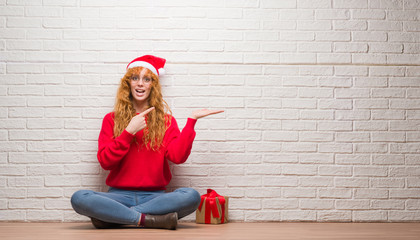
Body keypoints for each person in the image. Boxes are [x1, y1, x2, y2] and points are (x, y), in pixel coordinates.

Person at [71, 55, 223, 230]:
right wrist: (128, 132)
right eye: (135, 78)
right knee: (80, 198)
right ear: (128, 84)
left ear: (153, 85)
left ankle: (115, 216)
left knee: (191, 196)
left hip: (155, 197)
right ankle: (148, 220)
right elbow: (105, 162)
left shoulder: (166, 121)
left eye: (146, 79)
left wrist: (191, 121)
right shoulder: (111, 119)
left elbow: (178, 157)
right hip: (118, 196)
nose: (140, 84)